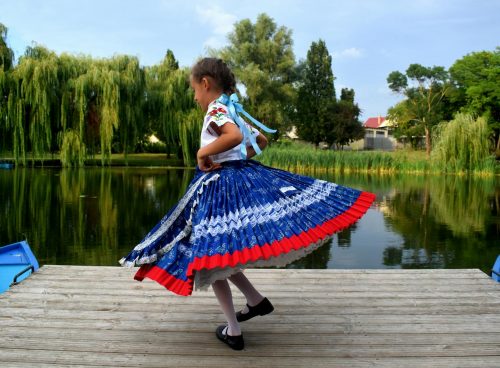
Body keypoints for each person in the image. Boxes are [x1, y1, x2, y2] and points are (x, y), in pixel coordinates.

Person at [120, 58, 375, 351]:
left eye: (194, 90)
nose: (194, 97)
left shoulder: (217, 108)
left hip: (220, 189)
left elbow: (235, 137)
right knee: (222, 254)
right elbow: (261, 141)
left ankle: (233, 329)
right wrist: (235, 159)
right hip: (238, 178)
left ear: (205, 84)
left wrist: (203, 152)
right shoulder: (232, 109)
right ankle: (255, 301)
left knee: (211, 257)